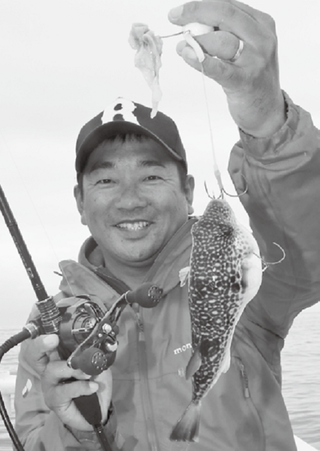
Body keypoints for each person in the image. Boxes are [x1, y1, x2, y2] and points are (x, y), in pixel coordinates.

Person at [14, 1, 320, 450]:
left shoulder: (247, 291)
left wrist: (269, 125)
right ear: (79, 202)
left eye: (152, 175)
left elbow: (305, 247)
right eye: (105, 179)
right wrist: (80, 429)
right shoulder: (51, 327)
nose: (130, 197)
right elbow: (33, 437)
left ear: (189, 190)